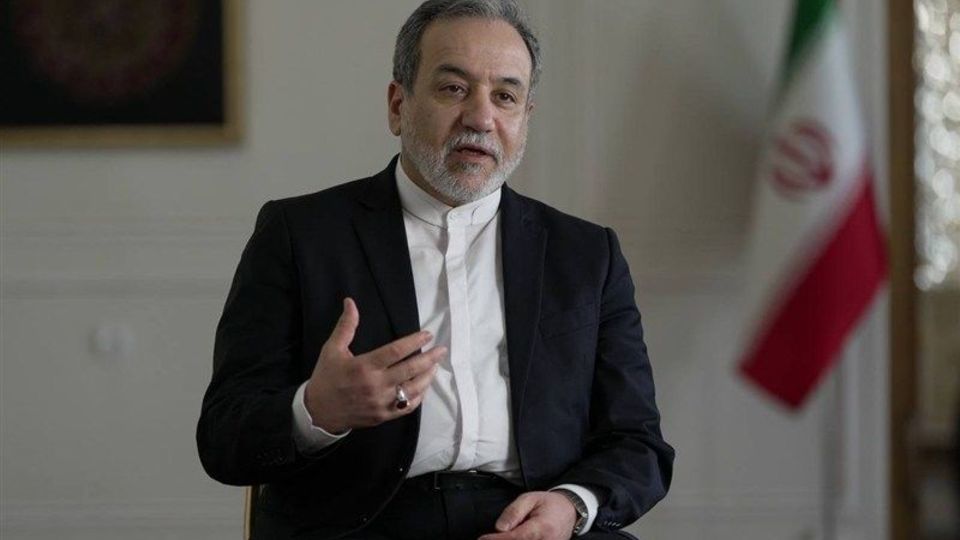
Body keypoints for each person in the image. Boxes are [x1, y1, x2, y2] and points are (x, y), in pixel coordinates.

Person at [197, 1, 674, 538]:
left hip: (533, 520)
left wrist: (570, 506)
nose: (481, 118)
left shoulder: (586, 254)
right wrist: (317, 410)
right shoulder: (300, 234)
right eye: (453, 88)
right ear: (398, 105)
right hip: (364, 524)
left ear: (525, 117)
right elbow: (223, 439)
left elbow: (638, 443)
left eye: (505, 96)